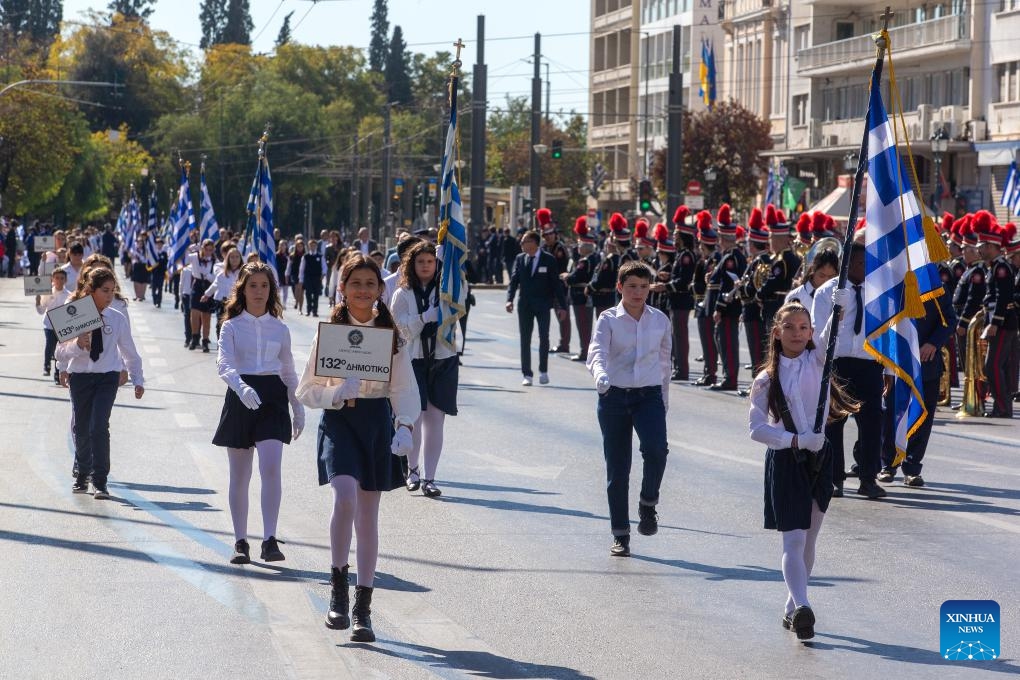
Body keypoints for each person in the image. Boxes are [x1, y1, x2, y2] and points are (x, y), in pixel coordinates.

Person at [296, 254, 420, 643]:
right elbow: (306, 390)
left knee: (368, 515)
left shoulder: (391, 336)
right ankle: (337, 588)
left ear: (380, 289)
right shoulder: (330, 332)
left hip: (375, 423)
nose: (363, 290)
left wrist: (404, 426)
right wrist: (336, 392)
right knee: (344, 497)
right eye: (356, 283)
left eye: (370, 283)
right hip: (340, 421)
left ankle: (362, 608)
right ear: (343, 288)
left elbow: (404, 389)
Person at [748, 301, 858, 642]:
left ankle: (791, 606)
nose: (797, 333)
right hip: (786, 460)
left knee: (809, 538)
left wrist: (840, 305)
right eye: (790, 327)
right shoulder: (767, 378)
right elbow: (756, 429)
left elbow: (832, 332)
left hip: (821, 459)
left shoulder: (819, 361)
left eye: (804, 327)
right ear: (777, 333)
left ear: (811, 332)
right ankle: (804, 606)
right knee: (793, 539)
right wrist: (794, 440)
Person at [214, 262, 304, 565]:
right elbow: (224, 364)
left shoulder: (279, 327)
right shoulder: (231, 325)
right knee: (240, 475)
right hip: (241, 394)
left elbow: (288, 369)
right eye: (252, 285)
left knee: (271, 468)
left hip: (273, 398)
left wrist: (297, 404)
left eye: (264, 286)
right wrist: (241, 388)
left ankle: (269, 539)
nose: (259, 292)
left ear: (271, 290)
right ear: (242, 289)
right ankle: (241, 541)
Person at [587, 261, 672, 558]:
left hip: (648, 396)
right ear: (620, 287)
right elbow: (596, 352)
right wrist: (600, 375)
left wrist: (664, 399)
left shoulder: (660, 319)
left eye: (644, 286)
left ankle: (648, 503)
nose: (638, 292)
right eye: (632, 286)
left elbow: (664, 362)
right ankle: (620, 534)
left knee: (657, 450)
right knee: (618, 468)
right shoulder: (608, 319)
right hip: (613, 396)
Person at [56, 267, 145, 499]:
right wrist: (76, 345)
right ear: (91, 290)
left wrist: (137, 378)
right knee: (81, 427)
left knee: (99, 426)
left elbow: (129, 351)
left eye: (112, 291)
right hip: (81, 378)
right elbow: (60, 352)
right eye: (104, 291)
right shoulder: (74, 313)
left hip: (107, 377)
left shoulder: (117, 318)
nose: (109, 296)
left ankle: (100, 480)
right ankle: (82, 473)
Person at [812, 241, 887, 499]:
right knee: (834, 423)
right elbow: (817, 334)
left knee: (871, 423)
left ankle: (868, 478)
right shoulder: (827, 292)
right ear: (846, 263)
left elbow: (886, 331)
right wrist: (837, 312)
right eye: (858, 263)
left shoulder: (877, 291)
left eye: (867, 263)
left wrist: (887, 369)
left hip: (869, 363)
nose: (863, 267)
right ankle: (835, 478)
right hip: (839, 363)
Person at [391, 241, 459, 498]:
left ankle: (430, 477)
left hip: (443, 358)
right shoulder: (403, 293)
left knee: (435, 420)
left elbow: (458, 307)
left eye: (431, 261)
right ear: (412, 264)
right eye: (421, 262)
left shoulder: (446, 290)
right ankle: (413, 471)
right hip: (414, 360)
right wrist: (423, 318)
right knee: (414, 419)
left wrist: (452, 261)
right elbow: (399, 329)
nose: (426, 266)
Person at [878, 289, 956, 486]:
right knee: (891, 413)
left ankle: (912, 467)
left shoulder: (933, 284)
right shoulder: (893, 281)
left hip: (926, 362)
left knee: (923, 415)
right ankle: (888, 464)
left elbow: (949, 320)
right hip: (897, 360)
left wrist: (933, 343)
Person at [505, 230, 568, 386]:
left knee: (543, 337)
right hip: (524, 305)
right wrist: (509, 299)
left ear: (534, 243)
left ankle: (543, 371)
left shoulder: (549, 259)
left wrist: (562, 306)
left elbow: (556, 285)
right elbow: (514, 281)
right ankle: (527, 374)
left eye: (524, 241)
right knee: (525, 339)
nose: (521, 244)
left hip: (542, 305)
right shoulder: (520, 259)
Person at [36, 268, 69, 383]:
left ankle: (57, 372)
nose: (59, 280)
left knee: (59, 349)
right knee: (50, 345)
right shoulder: (47, 292)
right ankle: (46, 365)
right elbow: (41, 310)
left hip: (62, 326)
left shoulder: (68, 295)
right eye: (56, 278)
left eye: (62, 278)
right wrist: (37, 302)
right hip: (49, 325)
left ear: (65, 280)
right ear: (52, 279)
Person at [203, 246, 244, 338]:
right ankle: (221, 345)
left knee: (234, 326)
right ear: (227, 259)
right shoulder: (222, 274)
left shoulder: (243, 274)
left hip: (236, 303)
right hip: (222, 302)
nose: (234, 259)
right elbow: (215, 285)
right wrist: (206, 295)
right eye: (232, 257)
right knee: (221, 325)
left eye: (237, 257)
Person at [187, 239, 218, 352]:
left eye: (211, 249)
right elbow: (184, 255)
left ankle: (205, 340)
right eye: (206, 249)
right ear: (202, 248)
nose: (208, 252)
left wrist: (208, 275)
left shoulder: (215, 261)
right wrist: (193, 246)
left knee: (206, 316)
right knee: (194, 313)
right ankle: (195, 338)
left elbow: (217, 277)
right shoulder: (195, 257)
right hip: (197, 285)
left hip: (208, 287)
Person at [301, 239, 325, 317]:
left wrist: (323, 275)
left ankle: (315, 311)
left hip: (317, 278)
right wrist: (301, 279)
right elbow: (302, 268)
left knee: (316, 295)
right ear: (308, 246)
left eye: (314, 245)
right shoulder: (305, 256)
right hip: (308, 278)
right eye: (311, 245)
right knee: (308, 294)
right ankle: (308, 310)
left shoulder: (320, 256)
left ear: (316, 246)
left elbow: (324, 267)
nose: (312, 247)